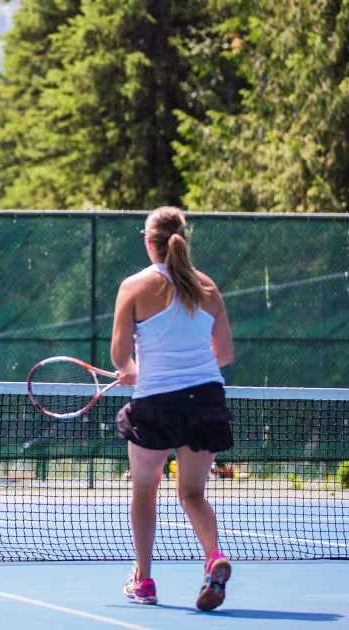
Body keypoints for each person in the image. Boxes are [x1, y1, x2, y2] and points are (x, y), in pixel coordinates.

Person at [112, 207, 234, 611]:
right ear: (184, 237)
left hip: (155, 402)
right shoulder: (208, 287)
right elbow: (225, 354)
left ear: (149, 242)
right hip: (207, 399)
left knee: (145, 490)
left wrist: (130, 370)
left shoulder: (133, 286)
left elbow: (119, 356)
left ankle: (144, 581)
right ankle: (213, 558)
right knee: (193, 493)